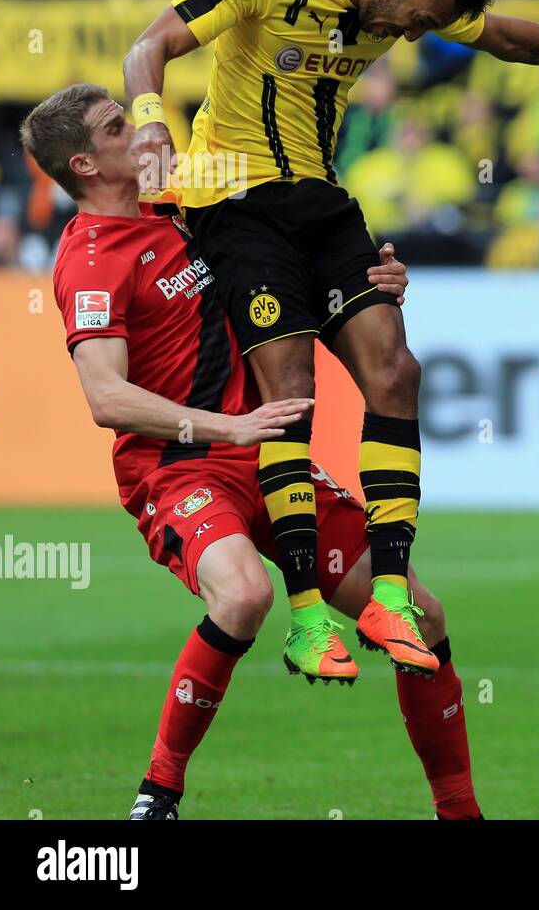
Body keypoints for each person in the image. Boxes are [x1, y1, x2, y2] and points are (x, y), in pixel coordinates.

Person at [123, 0, 539, 679]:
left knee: (397, 372)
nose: (410, 38)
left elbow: (506, 37)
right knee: (291, 395)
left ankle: (389, 596)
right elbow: (150, 44)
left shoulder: (411, 1)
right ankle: (304, 618)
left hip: (321, 204)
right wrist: (152, 125)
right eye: (415, 22)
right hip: (235, 203)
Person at [25, 83, 481, 821]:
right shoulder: (90, 260)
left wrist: (371, 287)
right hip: (181, 468)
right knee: (243, 594)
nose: (143, 133)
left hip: (271, 457)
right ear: (84, 164)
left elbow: (296, 273)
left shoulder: (191, 204)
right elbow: (107, 399)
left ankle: (459, 811)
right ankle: (158, 793)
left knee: (421, 619)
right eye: (119, 128)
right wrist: (226, 428)